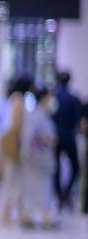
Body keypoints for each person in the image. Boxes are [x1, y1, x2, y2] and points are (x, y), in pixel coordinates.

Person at [21, 85, 60, 229]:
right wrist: (45, 139)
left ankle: (40, 216)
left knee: (42, 190)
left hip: (42, 160)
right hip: (36, 160)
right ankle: (35, 216)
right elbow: (29, 139)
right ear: (44, 98)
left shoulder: (44, 115)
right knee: (36, 190)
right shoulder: (36, 116)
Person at [52, 71, 83, 212]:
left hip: (56, 137)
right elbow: (79, 121)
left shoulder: (53, 98)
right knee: (75, 167)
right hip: (69, 137)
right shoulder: (74, 99)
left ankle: (60, 195)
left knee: (56, 168)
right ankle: (66, 193)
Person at [0, 79, 26, 226]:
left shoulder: (9, 101)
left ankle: (8, 211)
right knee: (13, 180)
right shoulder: (18, 101)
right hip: (13, 145)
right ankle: (10, 211)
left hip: (8, 143)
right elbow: (16, 126)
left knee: (10, 180)